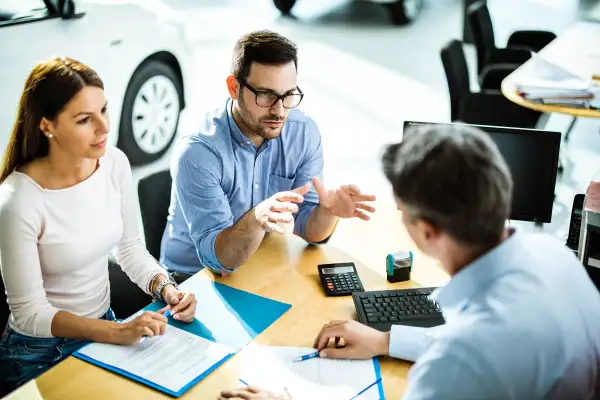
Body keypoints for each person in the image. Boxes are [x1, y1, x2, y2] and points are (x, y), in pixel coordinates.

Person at [219, 124, 600, 400]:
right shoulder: (554, 257)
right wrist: (387, 340)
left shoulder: (456, 363)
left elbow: (473, 352)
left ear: (428, 232)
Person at [0, 57, 197, 393]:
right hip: (39, 352)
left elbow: (131, 249)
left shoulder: (114, 163)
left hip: (104, 326)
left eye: (103, 110)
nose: (104, 128)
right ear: (47, 125)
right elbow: (31, 314)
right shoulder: (17, 200)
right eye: (84, 120)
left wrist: (166, 287)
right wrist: (116, 332)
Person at [160, 30, 376, 283]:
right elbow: (220, 259)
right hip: (193, 279)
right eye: (266, 95)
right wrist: (256, 219)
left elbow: (308, 228)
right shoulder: (198, 153)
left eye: (288, 95)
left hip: (260, 263)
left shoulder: (303, 133)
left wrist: (329, 212)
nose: (279, 110)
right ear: (233, 87)